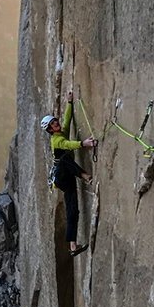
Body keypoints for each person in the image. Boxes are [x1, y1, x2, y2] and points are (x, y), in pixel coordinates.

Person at [41, 90, 97, 256]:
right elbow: (68, 145)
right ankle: (85, 176)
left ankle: (72, 246)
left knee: (73, 210)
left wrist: (70, 102)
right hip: (61, 176)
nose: (56, 124)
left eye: (54, 122)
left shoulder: (61, 131)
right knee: (64, 157)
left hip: (67, 178)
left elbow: (67, 119)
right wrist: (84, 143)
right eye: (52, 125)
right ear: (50, 130)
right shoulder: (57, 140)